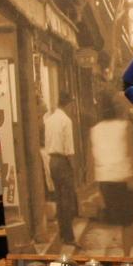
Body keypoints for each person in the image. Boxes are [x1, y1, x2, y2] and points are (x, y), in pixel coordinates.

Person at [90, 109, 133, 253]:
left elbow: (91, 158)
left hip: (104, 180)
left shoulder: (94, 129)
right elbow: (132, 152)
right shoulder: (125, 126)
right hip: (123, 178)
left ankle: (107, 256)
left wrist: (96, 186)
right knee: (128, 222)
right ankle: (127, 256)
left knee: (108, 223)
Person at [42, 94, 77, 246]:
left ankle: (63, 233)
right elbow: (69, 148)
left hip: (52, 161)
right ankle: (69, 237)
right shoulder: (66, 121)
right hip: (63, 162)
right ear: (68, 104)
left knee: (59, 199)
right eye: (71, 105)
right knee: (67, 199)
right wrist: (73, 166)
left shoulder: (49, 120)